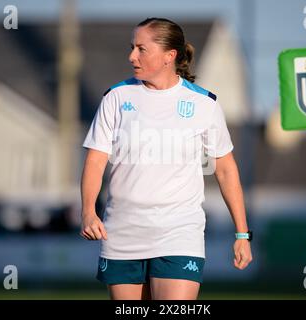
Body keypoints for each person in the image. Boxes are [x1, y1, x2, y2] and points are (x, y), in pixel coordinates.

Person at [80, 17, 252, 300]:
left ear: (169, 56)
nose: (131, 56)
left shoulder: (204, 104)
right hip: (122, 232)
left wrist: (242, 234)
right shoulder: (115, 97)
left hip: (179, 232)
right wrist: (88, 211)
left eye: (141, 49)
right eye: (131, 47)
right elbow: (96, 161)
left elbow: (225, 170)